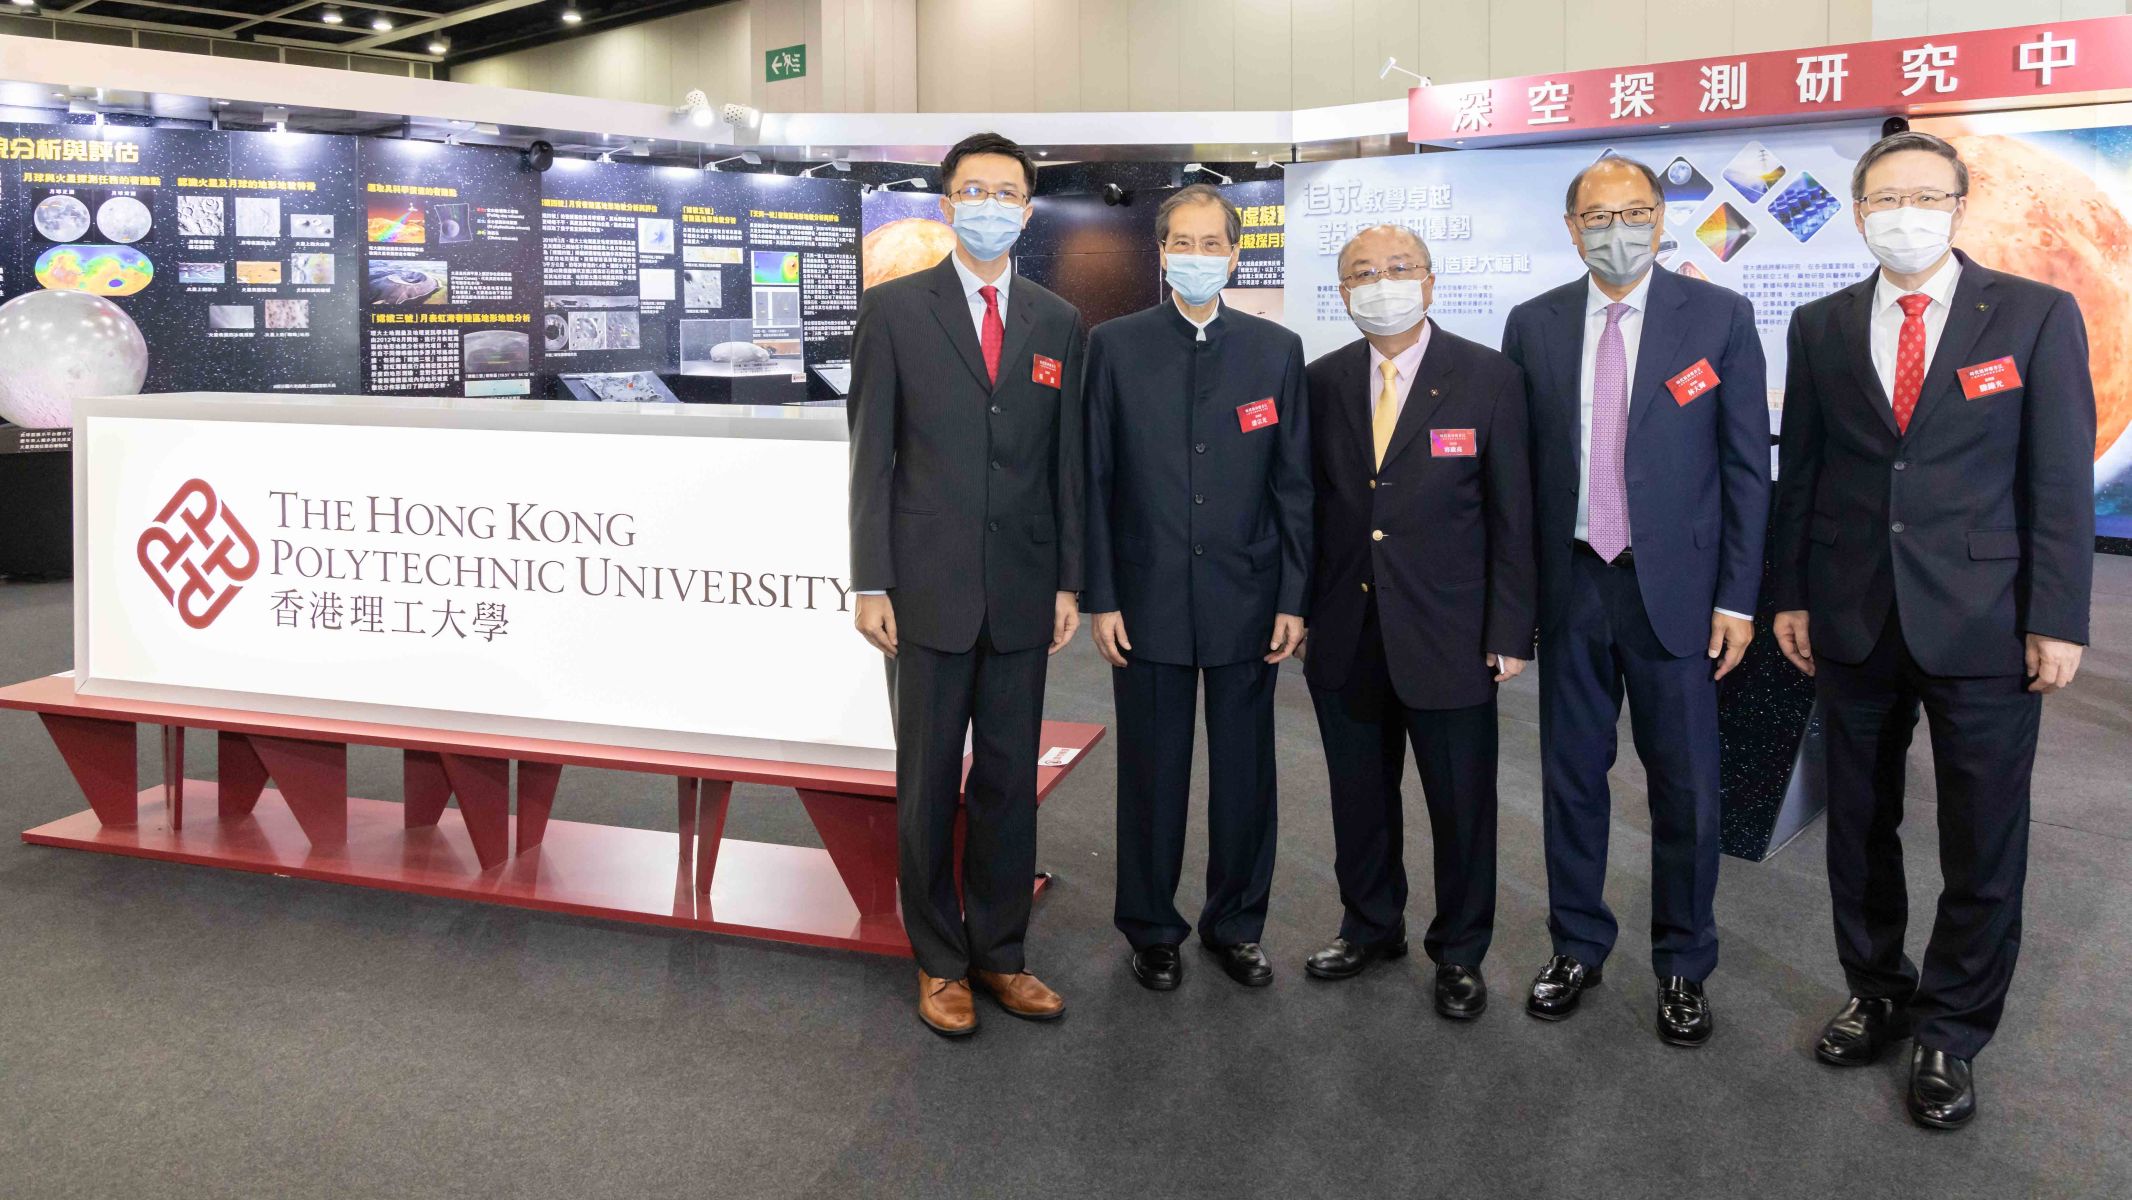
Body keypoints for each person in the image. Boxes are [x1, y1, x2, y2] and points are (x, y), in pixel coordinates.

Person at [1770, 131, 2095, 1130]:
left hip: (1984, 625)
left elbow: (2055, 476)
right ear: (1859, 210)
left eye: (1922, 196)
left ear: (1956, 206)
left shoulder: (2034, 314)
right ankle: (1875, 988)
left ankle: (1951, 1031)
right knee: (1858, 825)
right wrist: (1788, 593)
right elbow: (1805, 473)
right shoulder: (1819, 324)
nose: (1901, 213)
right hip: (1853, 615)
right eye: (1882, 198)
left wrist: (2055, 615)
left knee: (1981, 835)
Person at [1500, 154, 1769, 1046]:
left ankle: (1685, 964)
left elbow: (1743, 470)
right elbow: (1520, 475)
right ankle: (1577, 943)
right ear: (1572, 228)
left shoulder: (1718, 318)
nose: (1619, 230)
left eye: (1637, 211)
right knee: (1571, 782)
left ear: (1662, 218)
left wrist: (1737, 598)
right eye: (1599, 216)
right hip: (1572, 582)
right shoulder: (1531, 325)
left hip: (1678, 593)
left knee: (1685, 789)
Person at [847, 131, 1087, 1038]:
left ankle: (1000, 954)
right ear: (949, 205)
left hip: (1025, 591)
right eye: (973, 189)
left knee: (1005, 782)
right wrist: (872, 579)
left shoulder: (1056, 321)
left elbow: (1064, 468)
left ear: (1027, 208)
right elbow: (872, 456)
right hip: (924, 589)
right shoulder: (897, 310)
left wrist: (1069, 580)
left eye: (1008, 191)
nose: (991, 203)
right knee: (927, 780)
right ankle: (938, 962)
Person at [1299, 225, 1534, 1019]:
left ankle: (1461, 952)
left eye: (1398, 268)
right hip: (1347, 630)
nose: (1381, 283)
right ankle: (1370, 925)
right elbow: (1310, 511)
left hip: (1452, 635)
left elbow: (1514, 517)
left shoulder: (1490, 376)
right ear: (1343, 294)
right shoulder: (1322, 381)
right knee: (1358, 798)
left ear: (1430, 282)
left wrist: (1509, 632)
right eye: (1362, 273)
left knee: (1461, 806)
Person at [1083, 184, 1311, 990]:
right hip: (1144, 602)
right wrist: (1100, 596)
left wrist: (1292, 597)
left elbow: (1293, 488)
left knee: (1248, 772)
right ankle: (1151, 927)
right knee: (1152, 770)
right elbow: (1095, 481)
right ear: (1161, 251)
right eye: (1182, 242)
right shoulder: (1112, 347)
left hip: (1250, 602)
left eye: (1213, 244)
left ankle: (1236, 924)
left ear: (1236, 254)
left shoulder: (1275, 351)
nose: (1197, 257)